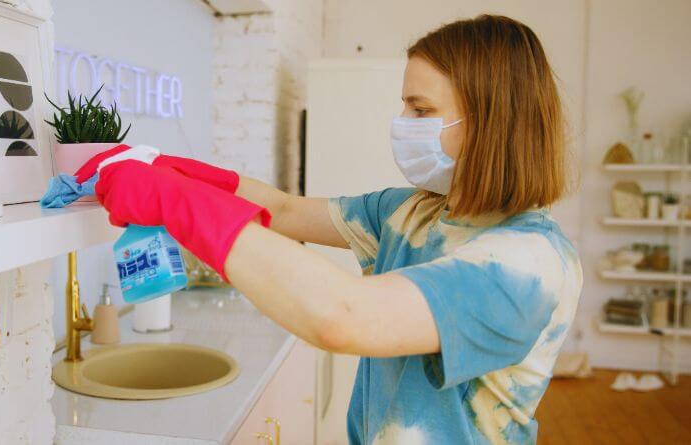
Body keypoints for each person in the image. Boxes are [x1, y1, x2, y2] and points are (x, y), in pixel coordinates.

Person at [80, 14, 582, 445]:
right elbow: (285, 210)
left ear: (491, 122)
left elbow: (342, 316)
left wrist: (173, 201)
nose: (402, 122)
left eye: (422, 110)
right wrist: (169, 169)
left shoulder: (527, 263)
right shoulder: (414, 211)